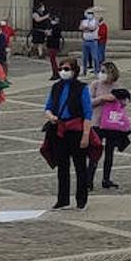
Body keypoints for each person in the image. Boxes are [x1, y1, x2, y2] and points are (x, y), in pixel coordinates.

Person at [44, 58, 93, 210]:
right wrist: (50, 116)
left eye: (66, 69)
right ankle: (62, 199)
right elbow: (48, 107)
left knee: (80, 166)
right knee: (62, 167)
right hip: (60, 129)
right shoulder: (56, 87)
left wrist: (86, 135)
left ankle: (81, 199)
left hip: (76, 130)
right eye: (61, 69)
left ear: (74, 71)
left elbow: (88, 113)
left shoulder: (81, 88)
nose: (63, 72)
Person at [86, 62, 120, 190]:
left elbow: (124, 101)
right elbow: (88, 102)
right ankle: (89, 181)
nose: (101, 74)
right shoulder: (95, 85)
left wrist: (116, 99)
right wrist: (101, 99)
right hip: (96, 123)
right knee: (95, 152)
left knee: (110, 152)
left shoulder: (116, 86)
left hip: (111, 123)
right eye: (101, 71)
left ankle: (106, 179)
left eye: (104, 71)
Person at [78, 9, 99, 75]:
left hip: (93, 41)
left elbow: (93, 28)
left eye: (91, 13)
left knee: (95, 57)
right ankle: (84, 71)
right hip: (85, 41)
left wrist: (86, 28)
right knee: (84, 57)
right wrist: (87, 28)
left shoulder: (95, 21)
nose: (90, 15)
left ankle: (96, 70)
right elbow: (80, 28)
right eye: (88, 13)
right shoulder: (84, 21)